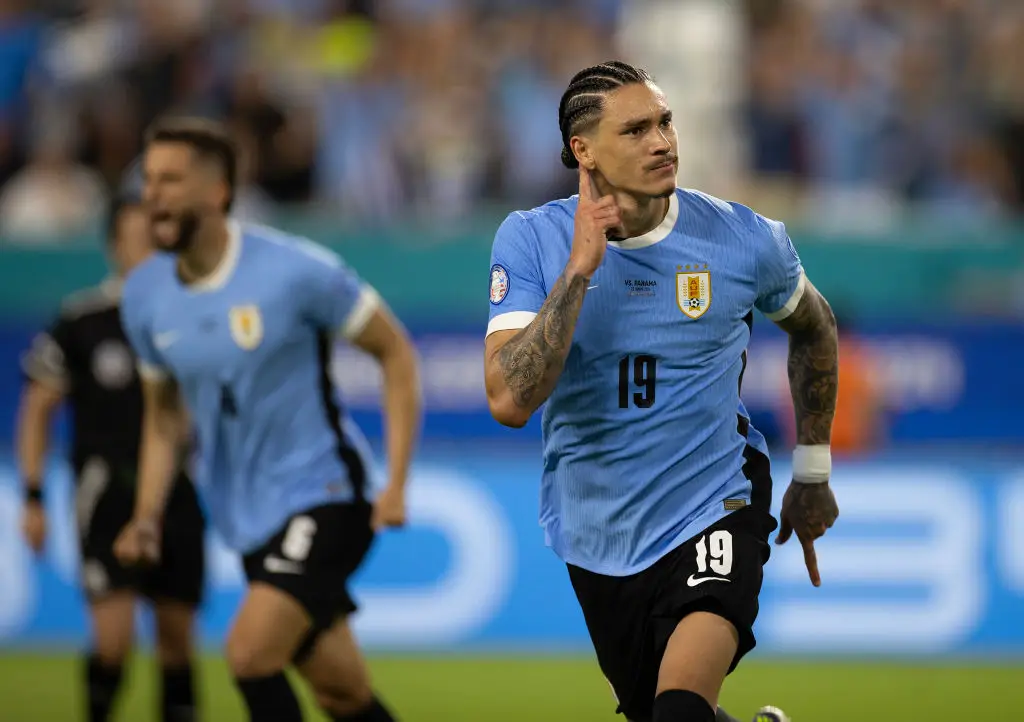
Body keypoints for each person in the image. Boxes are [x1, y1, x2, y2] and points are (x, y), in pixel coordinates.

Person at [483, 61, 840, 722]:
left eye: (665, 122)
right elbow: (509, 401)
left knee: (678, 710)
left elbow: (815, 328)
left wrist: (812, 469)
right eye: (637, 129)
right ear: (583, 150)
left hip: (715, 502)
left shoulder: (742, 238)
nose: (662, 142)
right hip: (599, 531)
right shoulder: (532, 240)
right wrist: (579, 274)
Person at [114, 117, 421, 722]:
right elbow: (164, 418)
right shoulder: (144, 295)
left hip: (325, 492)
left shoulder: (295, 271)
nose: (152, 194)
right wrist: (146, 516)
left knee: (250, 654)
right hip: (246, 517)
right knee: (343, 694)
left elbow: (396, 353)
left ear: (218, 191)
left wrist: (397, 481)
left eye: (170, 180)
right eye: (148, 180)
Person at [18, 196, 206, 722]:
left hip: (179, 492)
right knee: (113, 641)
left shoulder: (191, 316)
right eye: (134, 236)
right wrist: (32, 494)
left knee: (177, 644)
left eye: (155, 235)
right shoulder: (84, 320)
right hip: (106, 493)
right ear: (113, 246)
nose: (145, 246)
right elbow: (37, 409)